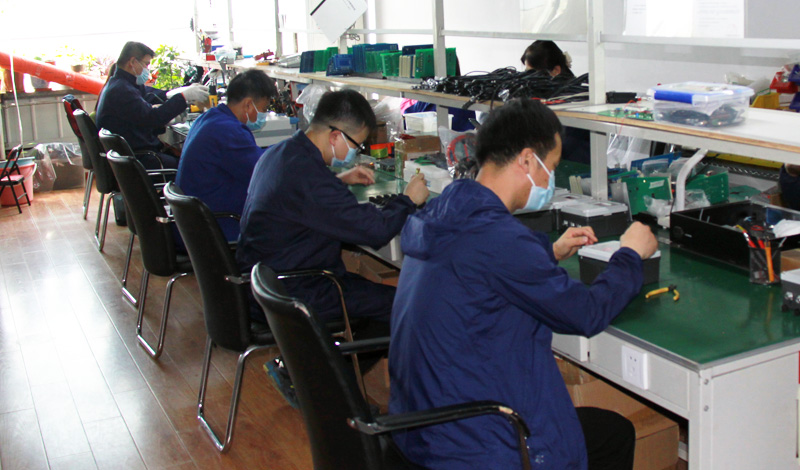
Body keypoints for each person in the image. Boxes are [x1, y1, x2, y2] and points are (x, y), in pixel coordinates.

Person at [389, 99, 658, 470]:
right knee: (613, 435)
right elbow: (586, 313)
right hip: (476, 444)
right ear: (528, 161)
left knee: (604, 432)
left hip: (421, 428)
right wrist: (630, 254)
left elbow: (482, 264)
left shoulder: (443, 211)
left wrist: (549, 251)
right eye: (552, 168)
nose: (550, 180)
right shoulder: (500, 240)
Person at [237, 89, 429, 405]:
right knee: (403, 307)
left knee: (377, 300)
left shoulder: (282, 153)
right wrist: (408, 200)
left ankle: (304, 371)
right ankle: (326, 385)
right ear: (335, 136)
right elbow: (375, 231)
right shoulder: (310, 178)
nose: (356, 152)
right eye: (356, 145)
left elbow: (298, 197)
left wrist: (339, 180)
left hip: (266, 280)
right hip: (298, 288)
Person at [176, 69, 278, 241]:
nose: (264, 114)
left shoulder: (210, 118)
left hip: (194, 222)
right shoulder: (228, 130)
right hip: (217, 227)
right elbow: (263, 171)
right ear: (248, 104)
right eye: (263, 108)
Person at [96, 41, 209, 169]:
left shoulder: (120, 84)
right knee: (193, 167)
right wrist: (183, 98)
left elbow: (150, 95)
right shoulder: (122, 90)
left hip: (133, 155)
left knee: (184, 159)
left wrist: (176, 94)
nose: (147, 69)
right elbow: (153, 118)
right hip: (139, 160)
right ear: (132, 62)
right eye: (146, 64)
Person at [521, 40, 590, 165]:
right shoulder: (542, 97)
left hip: (576, 166)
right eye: (527, 73)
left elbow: (563, 146)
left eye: (534, 74)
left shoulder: (576, 99)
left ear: (556, 70)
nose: (529, 80)